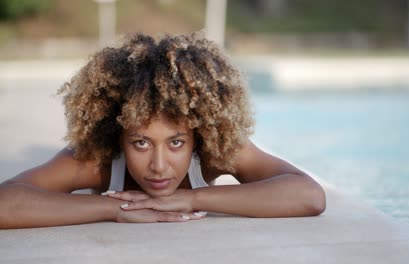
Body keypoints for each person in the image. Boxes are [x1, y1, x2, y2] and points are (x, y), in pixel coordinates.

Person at [0, 33, 325, 229]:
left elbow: (308, 195)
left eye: (176, 142)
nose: (158, 165)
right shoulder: (99, 162)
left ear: (198, 134)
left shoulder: (215, 153)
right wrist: (116, 209)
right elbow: (6, 203)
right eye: (140, 143)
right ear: (117, 134)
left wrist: (192, 198)